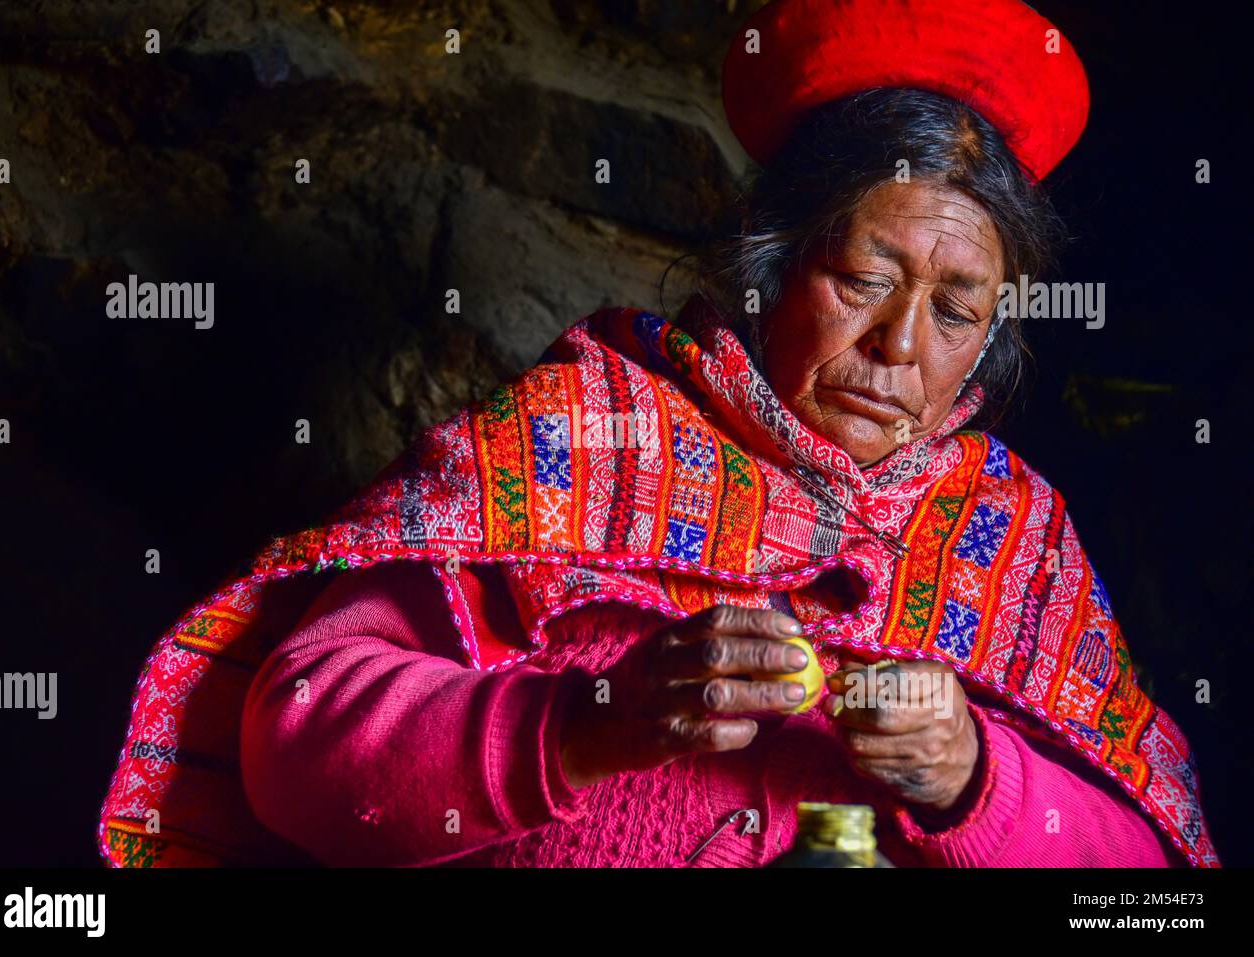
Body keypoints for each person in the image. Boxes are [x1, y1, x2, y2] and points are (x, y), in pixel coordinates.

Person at [97, 0, 1218, 867]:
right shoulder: (586, 430)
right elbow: (293, 739)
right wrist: (586, 719)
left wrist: (977, 777)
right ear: (767, 268)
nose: (899, 345)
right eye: (862, 278)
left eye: (958, 309)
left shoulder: (1012, 540)